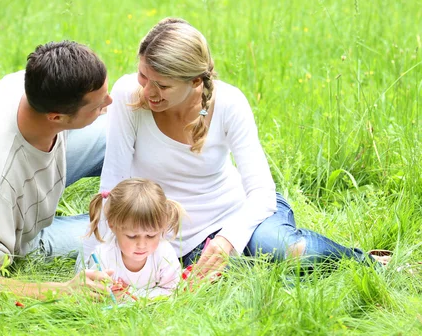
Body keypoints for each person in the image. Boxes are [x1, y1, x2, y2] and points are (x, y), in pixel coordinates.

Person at [83, 17, 386, 279]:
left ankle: (366, 263)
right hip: (165, 234)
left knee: (279, 248)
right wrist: (94, 262)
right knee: (241, 276)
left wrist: (228, 240)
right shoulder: (127, 95)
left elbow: (262, 194)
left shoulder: (229, 103)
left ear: (196, 82)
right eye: (144, 76)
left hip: (238, 216)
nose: (149, 91)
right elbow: (113, 184)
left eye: (162, 86)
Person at [0, 41, 114, 298]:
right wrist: (64, 291)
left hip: (28, 175)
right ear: (56, 117)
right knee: (130, 232)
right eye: (98, 105)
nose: (110, 102)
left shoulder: (37, 82)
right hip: (13, 227)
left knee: (121, 130)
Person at [86, 178, 185, 299]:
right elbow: (94, 294)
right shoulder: (103, 256)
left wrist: (129, 294)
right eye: (132, 236)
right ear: (112, 225)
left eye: (151, 235)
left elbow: (174, 290)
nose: (142, 244)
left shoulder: (164, 254)